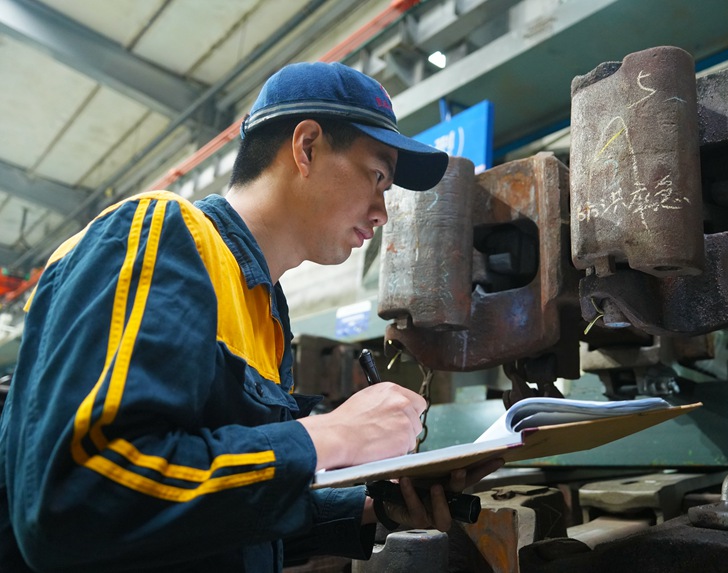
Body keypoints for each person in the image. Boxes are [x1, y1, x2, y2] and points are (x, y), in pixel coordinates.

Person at [0, 61, 502, 572]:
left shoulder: (265, 311)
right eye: (376, 176)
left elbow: (215, 520)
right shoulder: (160, 234)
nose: (382, 211)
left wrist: (370, 509)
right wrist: (335, 434)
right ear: (306, 146)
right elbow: (81, 497)